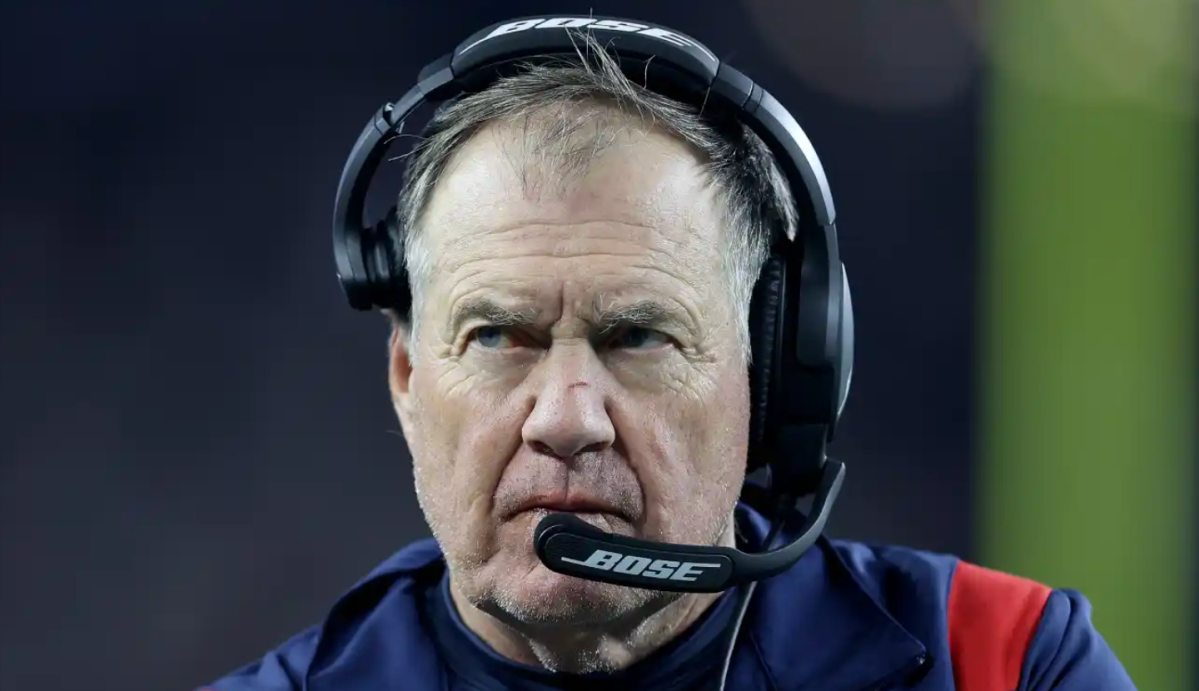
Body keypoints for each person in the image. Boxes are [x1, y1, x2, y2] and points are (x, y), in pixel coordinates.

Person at [201, 16, 1135, 691]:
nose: (566, 418)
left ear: (767, 372)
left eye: (638, 335)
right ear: (407, 378)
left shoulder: (1004, 660)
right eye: (499, 336)